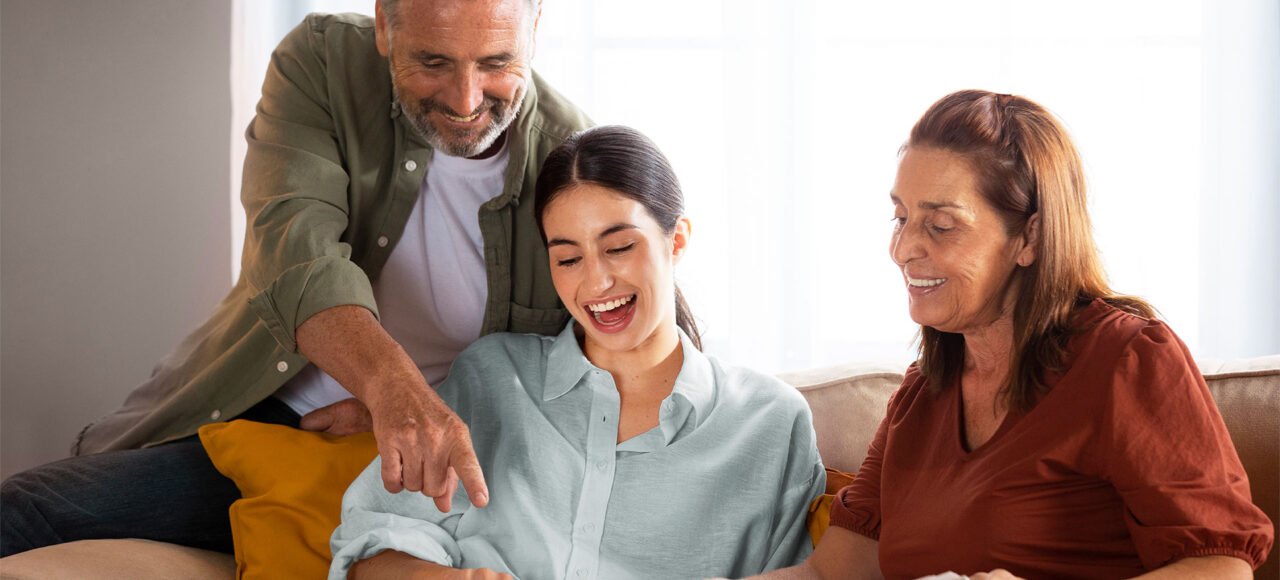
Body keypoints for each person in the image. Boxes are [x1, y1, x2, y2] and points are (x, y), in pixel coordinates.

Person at [0, 0, 591, 556]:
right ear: (385, 22)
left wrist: (425, 410)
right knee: (21, 513)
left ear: (533, 27)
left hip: (420, 473)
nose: (466, 99)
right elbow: (298, 255)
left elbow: (595, 375)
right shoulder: (323, 62)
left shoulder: (577, 162)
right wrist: (391, 391)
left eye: (496, 62)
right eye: (433, 61)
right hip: (263, 408)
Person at [758, 90, 1274, 579]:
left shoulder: (1126, 360)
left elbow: (1222, 566)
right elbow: (829, 572)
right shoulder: (922, 395)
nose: (902, 249)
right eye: (900, 217)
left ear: (1030, 236)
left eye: (939, 225)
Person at [328, 125, 826, 580]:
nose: (596, 282)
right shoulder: (493, 377)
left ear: (676, 241)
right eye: (568, 258)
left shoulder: (770, 423)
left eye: (619, 247)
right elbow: (368, 544)